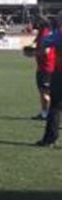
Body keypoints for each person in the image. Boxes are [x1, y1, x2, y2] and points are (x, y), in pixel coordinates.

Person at [36, 16, 61, 148]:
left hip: (59, 73)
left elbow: (46, 42)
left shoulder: (58, 34)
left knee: (55, 107)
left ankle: (50, 139)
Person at [33, 18, 56, 120]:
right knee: (44, 92)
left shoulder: (45, 33)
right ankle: (44, 113)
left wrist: (33, 53)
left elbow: (45, 51)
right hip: (44, 67)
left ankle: (48, 113)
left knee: (45, 92)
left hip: (46, 68)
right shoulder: (44, 33)